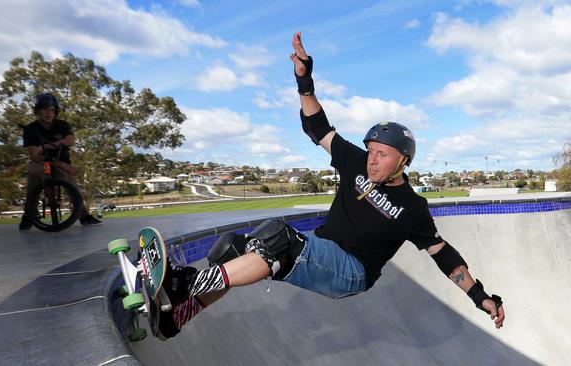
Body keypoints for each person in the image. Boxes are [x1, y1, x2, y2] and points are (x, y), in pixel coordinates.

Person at [154, 32, 505, 339]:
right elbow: (317, 126)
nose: (372, 160)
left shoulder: (413, 208)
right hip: (322, 250)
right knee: (237, 250)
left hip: (351, 272)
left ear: (403, 160)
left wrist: (480, 297)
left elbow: (444, 257)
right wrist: (304, 81)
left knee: (278, 240)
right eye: (370, 152)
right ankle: (179, 317)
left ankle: (185, 284)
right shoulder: (354, 161)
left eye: (382, 155)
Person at [19, 93, 101, 230]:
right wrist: (58, 163)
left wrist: (45, 146)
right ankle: (29, 213)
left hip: (62, 161)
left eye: (52, 110)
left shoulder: (62, 125)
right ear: (38, 111)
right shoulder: (30, 129)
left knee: (70, 183)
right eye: (45, 109)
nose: (48, 113)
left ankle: (83, 215)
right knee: (34, 173)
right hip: (42, 162)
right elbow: (34, 155)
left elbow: (70, 140)